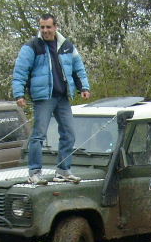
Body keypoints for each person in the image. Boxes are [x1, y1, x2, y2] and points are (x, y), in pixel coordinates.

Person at [11, 14, 91, 185]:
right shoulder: (32, 46)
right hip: (43, 97)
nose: (45, 30)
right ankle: (34, 172)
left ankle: (63, 170)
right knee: (38, 136)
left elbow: (78, 68)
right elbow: (20, 71)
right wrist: (19, 94)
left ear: (55, 27)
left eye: (48, 27)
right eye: (42, 27)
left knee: (69, 134)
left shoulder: (67, 46)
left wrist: (84, 87)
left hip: (62, 96)